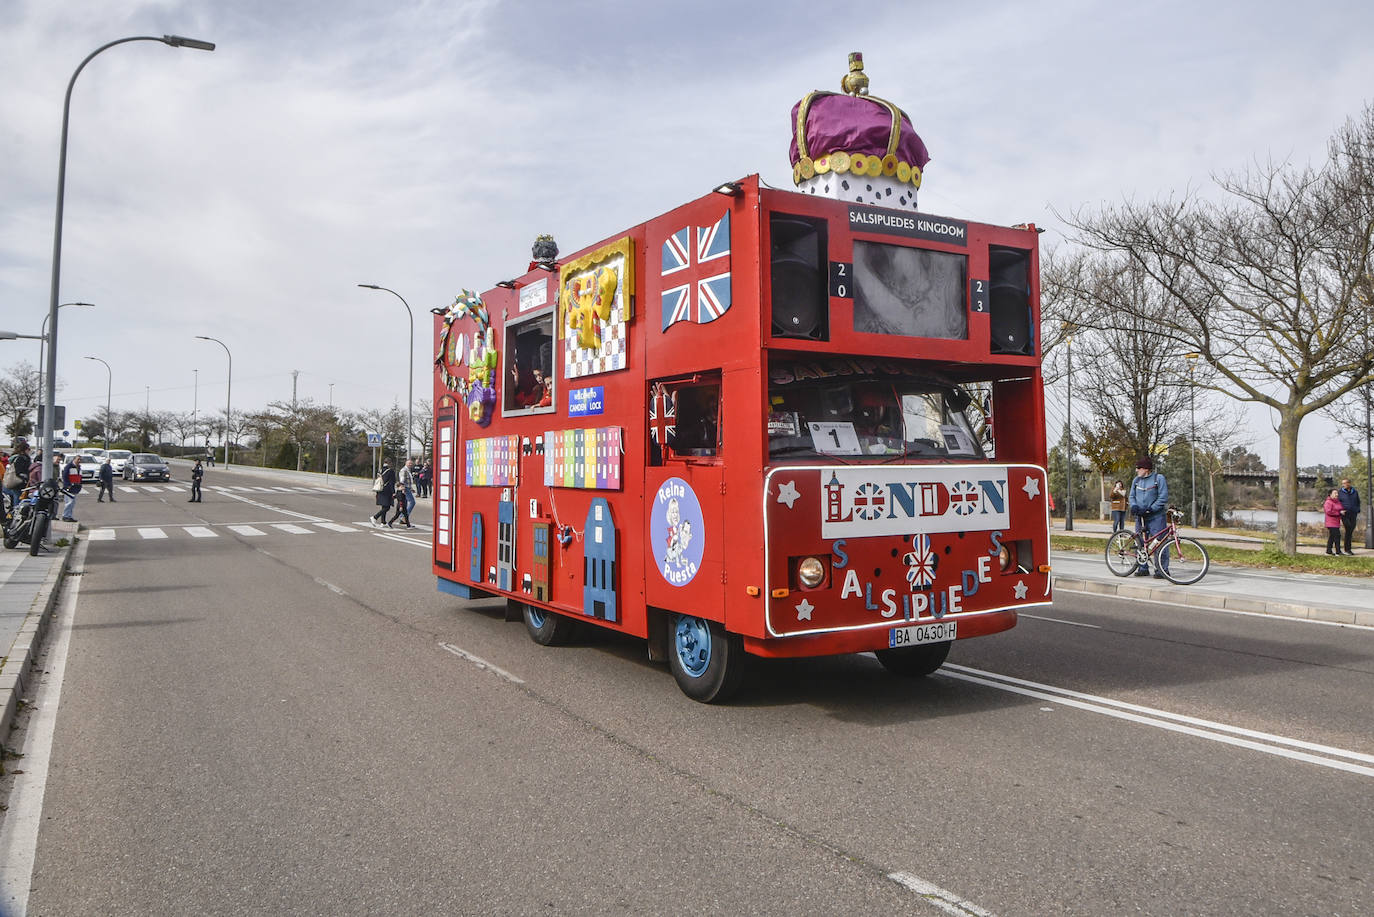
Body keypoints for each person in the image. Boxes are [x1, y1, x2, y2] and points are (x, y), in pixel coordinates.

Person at [1128, 456, 1169, 578]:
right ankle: (1142, 567)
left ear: (1146, 469)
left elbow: (1163, 497)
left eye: (1138, 468)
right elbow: (1132, 496)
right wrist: (1134, 506)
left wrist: (1151, 509)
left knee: (1159, 543)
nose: (1137, 470)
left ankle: (1162, 570)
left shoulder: (1159, 479)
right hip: (1140, 517)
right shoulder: (1136, 481)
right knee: (1140, 542)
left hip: (1156, 517)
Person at [3, 438, 32, 519]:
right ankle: (16, 516)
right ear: (25, 449)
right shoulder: (22, 458)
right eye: (28, 449)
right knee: (18, 500)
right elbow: (19, 471)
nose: (29, 451)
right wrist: (25, 478)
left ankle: (14, 514)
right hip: (18, 483)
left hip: (17, 483)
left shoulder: (18, 457)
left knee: (17, 498)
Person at [389, 458, 416, 528]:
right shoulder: (403, 470)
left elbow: (408, 481)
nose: (410, 464)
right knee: (412, 502)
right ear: (406, 463)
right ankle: (403, 517)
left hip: (407, 488)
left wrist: (411, 488)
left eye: (411, 463)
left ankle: (403, 519)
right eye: (409, 463)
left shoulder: (407, 470)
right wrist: (402, 489)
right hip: (405, 489)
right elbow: (402, 481)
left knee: (405, 503)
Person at [1336, 478, 1361, 555]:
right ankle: (1347, 549)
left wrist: (1357, 509)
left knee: (1350, 530)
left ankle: (1348, 549)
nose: (1343, 485)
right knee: (1348, 528)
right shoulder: (1340, 493)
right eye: (1342, 483)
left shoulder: (1355, 492)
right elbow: (1337, 503)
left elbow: (1358, 501)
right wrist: (1340, 511)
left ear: (1349, 483)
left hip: (1353, 514)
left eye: (1345, 483)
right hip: (1345, 514)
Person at [370, 461, 395, 527]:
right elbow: (392, 482)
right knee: (387, 507)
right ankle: (375, 517)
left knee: (384, 506)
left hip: (380, 489)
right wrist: (393, 492)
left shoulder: (380, 470)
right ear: (390, 463)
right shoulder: (390, 471)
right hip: (387, 491)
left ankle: (383, 522)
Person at [60, 453, 83, 522]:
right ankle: (65, 516)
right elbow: (64, 476)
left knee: (72, 503)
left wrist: (80, 485)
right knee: (69, 502)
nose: (79, 461)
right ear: (74, 459)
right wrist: (68, 485)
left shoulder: (79, 467)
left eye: (80, 459)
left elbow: (79, 477)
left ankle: (69, 516)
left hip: (76, 487)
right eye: (78, 459)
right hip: (69, 488)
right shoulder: (69, 466)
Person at [1323, 488, 1344, 555]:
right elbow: (1328, 512)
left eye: (1337, 493)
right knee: (1337, 536)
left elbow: (1340, 508)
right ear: (1330, 494)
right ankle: (1338, 551)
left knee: (1332, 537)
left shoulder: (1337, 501)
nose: (1337, 494)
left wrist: (1342, 512)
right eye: (1335, 493)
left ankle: (1328, 551)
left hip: (1337, 522)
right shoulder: (1328, 502)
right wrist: (1339, 513)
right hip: (1331, 522)